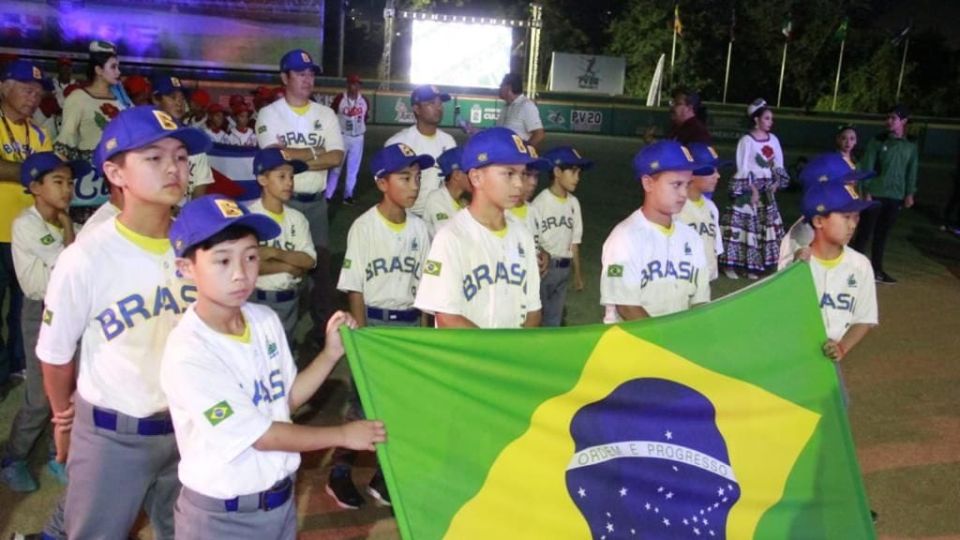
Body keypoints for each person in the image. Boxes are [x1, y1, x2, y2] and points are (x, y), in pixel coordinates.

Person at [160, 195, 385, 539]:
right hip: (223, 517)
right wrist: (343, 435)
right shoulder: (190, 352)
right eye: (222, 261)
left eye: (251, 257)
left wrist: (329, 354)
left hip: (279, 503)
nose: (240, 274)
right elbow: (261, 437)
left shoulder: (263, 320)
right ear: (186, 268)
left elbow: (285, 401)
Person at [37, 106, 211, 539]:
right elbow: (56, 356)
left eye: (181, 156)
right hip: (114, 435)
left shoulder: (202, 247)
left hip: (189, 426)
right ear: (116, 173)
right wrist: (63, 421)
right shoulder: (86, 257)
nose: (173, 167)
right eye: (153, 158)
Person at [328, 143, 433, 509]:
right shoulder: (364, 226)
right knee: (363, 403)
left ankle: (383, 477)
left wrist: (423, 337)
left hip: (408, 325)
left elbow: (425, 290)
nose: (414, 185)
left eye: (417, 177)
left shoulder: (421, 229)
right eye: (405, 177)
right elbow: (355, 286)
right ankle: (339, 472)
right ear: (382, 182)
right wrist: (361, 338)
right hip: (374, 322)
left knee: (403, 403)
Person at [1, 153, 87, 492]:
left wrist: (70, 226)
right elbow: (70, 264)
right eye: (58, 182)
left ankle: (57, 453)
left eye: (69, 182)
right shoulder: (27, 224)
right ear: (35, 187)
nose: (67, 190)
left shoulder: (74, 226)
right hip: (41, 312)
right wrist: (67, 225)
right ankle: (14, 457)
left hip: (71, 311)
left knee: (70, 390)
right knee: (39, 396)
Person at [256, 49, 344, 347]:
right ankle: (276, 331)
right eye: (300, 73)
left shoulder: (325, 114)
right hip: (283, 203)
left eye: (311, 74)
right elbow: (275, 159)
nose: (308, 79)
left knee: (320, 270)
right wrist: (316, 153)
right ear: (285, 77)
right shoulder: (270, 113)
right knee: (282, 269)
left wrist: (296, 156)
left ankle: (321, 332)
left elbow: (337, 156)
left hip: (316, 202)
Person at [414, 127, 542, 328]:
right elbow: (447, 318)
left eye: (522, 173)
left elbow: (533, 310)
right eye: (509, 173)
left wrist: (515, 353)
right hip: (466, 358)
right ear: (476, 177)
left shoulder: (522, 235)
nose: (519, 184)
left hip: (512, 356)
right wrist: (492, 355)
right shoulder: (451, 238)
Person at [600, 140, 709, 323]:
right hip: (633, 345)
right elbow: (627, 306)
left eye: (688, 184)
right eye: (676, 184)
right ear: (648, 183)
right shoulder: (623, 238)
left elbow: (700, 301)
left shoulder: (691, 238)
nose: (684, 193)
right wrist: (665, 341)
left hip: (677, 343)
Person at [0, 59, 53, 391]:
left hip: (29, 235)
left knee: (25, 309)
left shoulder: (39, 133)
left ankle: (18, 365)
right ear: (4, 86)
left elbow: (50, 180)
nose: (33, 98)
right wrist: (31, 172)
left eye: (37, 92)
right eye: (26, 89)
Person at [245, 148, 316, 347]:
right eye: (282, 176)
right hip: (257, 299)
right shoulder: (250, 217)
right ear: (262, 180)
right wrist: (288, 266)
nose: (289, 182)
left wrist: (275, 253)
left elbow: (309, 261)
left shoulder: (297, 218)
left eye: (291, 177)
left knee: (286, 354)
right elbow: (249, 266)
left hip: (290, 301)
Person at [719, 98, 789, 280]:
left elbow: (777, 164)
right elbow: (742, 167)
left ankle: (754, 267)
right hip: (749, 189)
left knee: (763, 227)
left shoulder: (773, 139)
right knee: (743, 227)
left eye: (771, 119)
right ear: (756, 119)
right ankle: (731, 265)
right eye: (767, 118)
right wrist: (752, 190)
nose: (770, 122)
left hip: (767, 190)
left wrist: (776, 183)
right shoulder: (746, 141)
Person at [55, 40, 130, 208]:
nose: (118, 72)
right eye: (113, 67)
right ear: (98, 70)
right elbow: (65, 143)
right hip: (87, 183)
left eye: (118, 67)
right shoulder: (78, 98)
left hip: (116, 181)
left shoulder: (122, 101)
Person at [850, 104, 919, 284]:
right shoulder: (878, 141)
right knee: (864, 233)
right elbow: (867, 167)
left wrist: (909, 193)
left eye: (893, 118)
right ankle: (852, 270)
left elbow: (912, 170)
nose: (888, 121)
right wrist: (866, 191)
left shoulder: (911, 145)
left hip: (895, 196)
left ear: (903, 121)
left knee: (882, 234)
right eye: (887, 117)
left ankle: (877, 270)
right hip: (875, 193)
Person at [532, 146, 592, 326]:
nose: (577, 177)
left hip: (564, 269)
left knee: (554, 320)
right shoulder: (540, 203)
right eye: (573, 172)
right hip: (544, 269)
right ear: (557, 172)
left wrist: (578, 274)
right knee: (536, 317)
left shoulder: (573, 203)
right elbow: (533, 240)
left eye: (579, 172)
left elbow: (574, 242)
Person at [384, 85, 457, 217]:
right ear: (417, 109)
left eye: (440, 103)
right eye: (431, 103)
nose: (438, 107)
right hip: (408, 215)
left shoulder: (449, 141)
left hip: (441, 214)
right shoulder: (399, 143)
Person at [151, 75, 216, 202]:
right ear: (156, 99)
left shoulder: (194, 138)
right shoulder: (144, 139)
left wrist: (188, 215)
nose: (179, 103)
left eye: (182, 98)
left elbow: (200, 186)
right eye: (172, 97)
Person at [678, 143, 729, 287]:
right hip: (679, 284)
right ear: (693, 174)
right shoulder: (675, 208)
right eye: (712, 171)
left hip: (705, 284)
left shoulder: (711, 208)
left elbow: (715, 250)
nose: (718, 176)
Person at [325, 74, 369, 205]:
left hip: (358, 138)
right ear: (348, 85)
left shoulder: (364, 100)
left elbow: (365, 117)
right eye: (353, 84)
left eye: (357, 84)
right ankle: (328, 195)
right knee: (336, 167)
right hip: (342, 136)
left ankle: (348, 195)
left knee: (353, 168)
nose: (355, 87)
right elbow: (331, 114)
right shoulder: (340, 99)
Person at [423, 146, 470, 238]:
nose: (475, 176)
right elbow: (448, 239)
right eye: (470, 172)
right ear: (456, 175)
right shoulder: (436, 199)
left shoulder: (470, 198)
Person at [496, 73, 545, 149]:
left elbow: (539, 135)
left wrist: (523, 151)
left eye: (501, 86)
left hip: (516, 159)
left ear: (508, 88)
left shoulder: (526, 106)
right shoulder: (506, 107)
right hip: (502, 153)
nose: (499, 89)